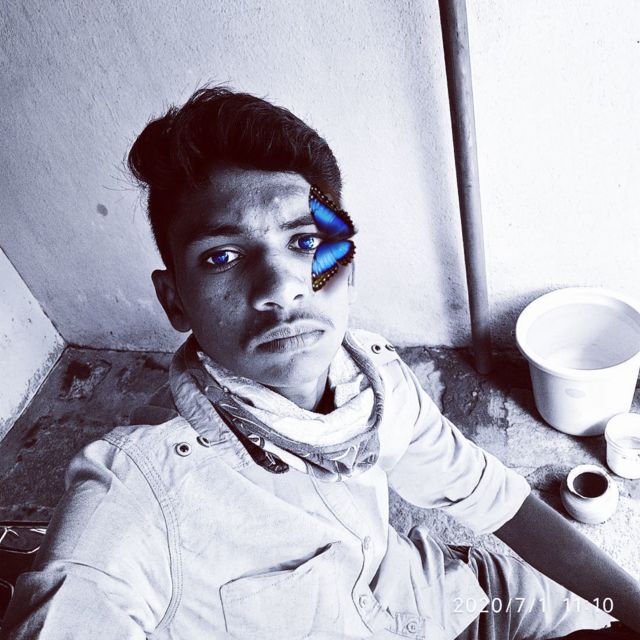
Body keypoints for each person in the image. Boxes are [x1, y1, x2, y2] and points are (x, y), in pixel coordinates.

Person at [3, 86, 640, 640]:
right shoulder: (137, 497)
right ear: (175, 300)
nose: (281, 286)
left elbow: (498, 502)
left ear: (348, 269)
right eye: (222, 256)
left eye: (306, 242)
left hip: (446, 597)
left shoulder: (374, 381)